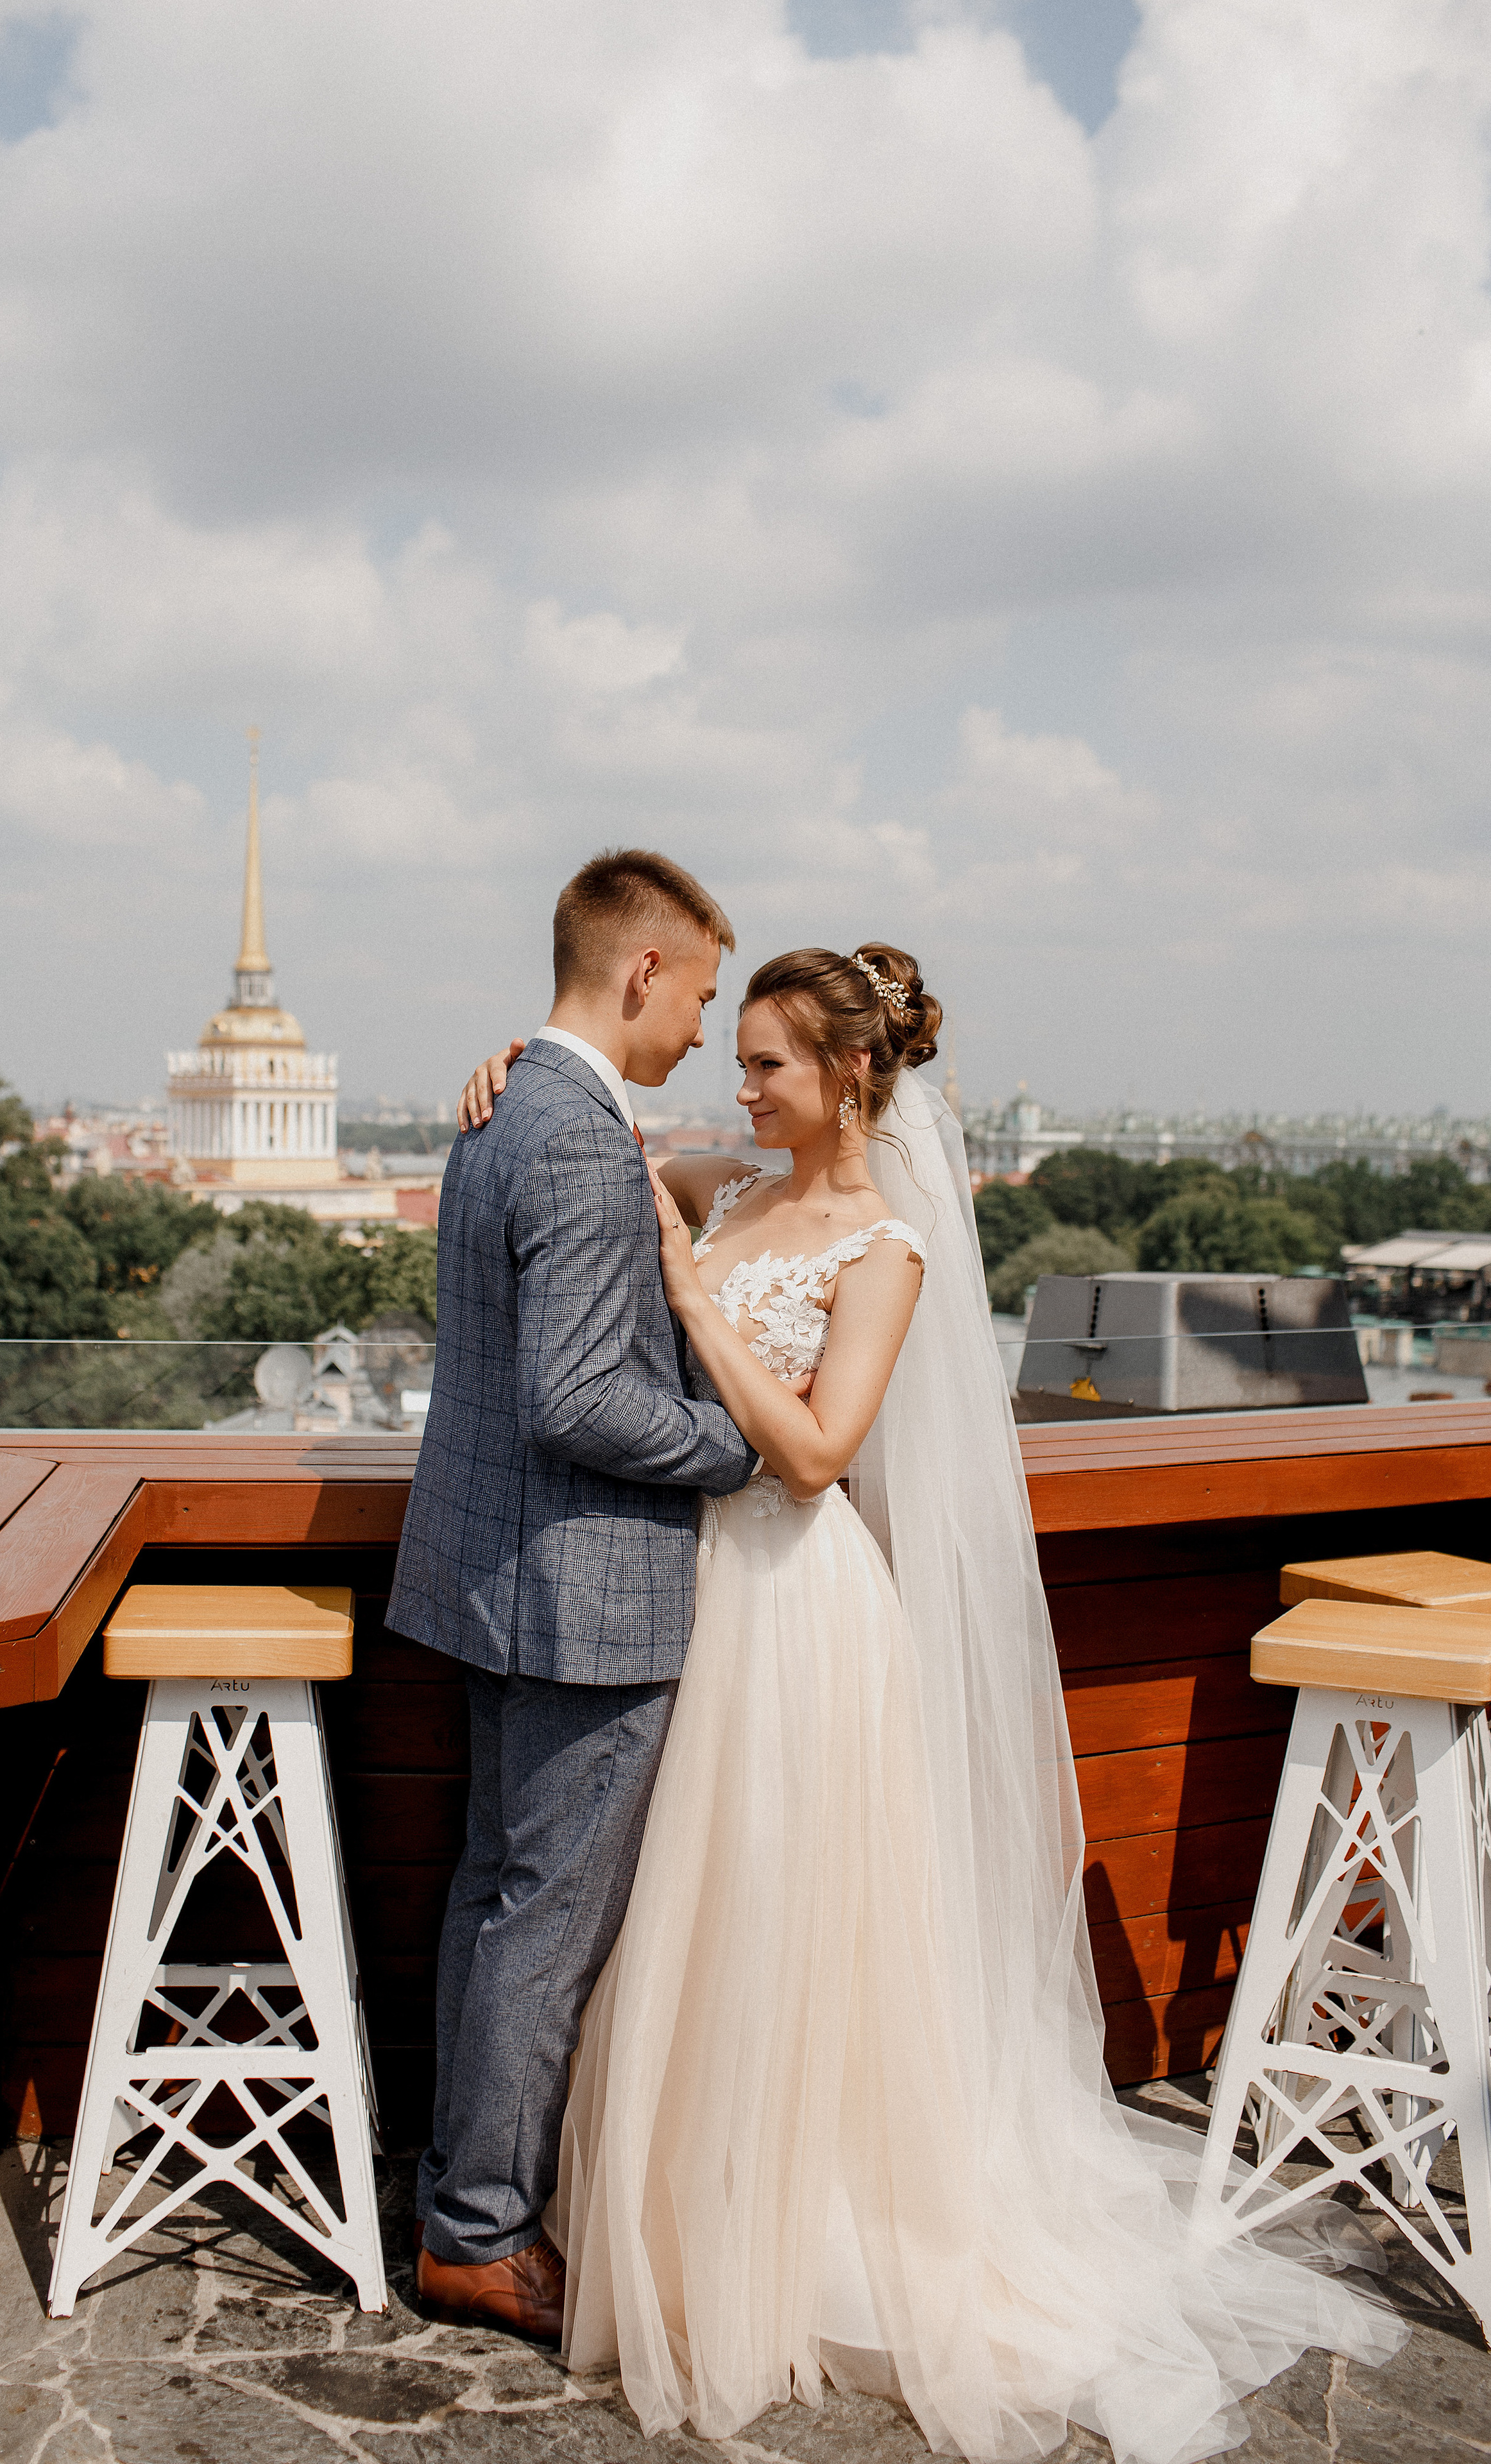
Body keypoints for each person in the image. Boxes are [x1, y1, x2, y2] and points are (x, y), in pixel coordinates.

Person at [460, 943, 1406, 2464]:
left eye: (767, 1064)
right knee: (689, 1914)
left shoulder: (884, 1249)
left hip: (796, 1610)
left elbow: (816, 1454)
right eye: (737, 1058)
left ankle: (801, 2233)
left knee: (784, 1911)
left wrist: (695, 1304)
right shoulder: (730, 1185)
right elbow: (600, 1139)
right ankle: (691, 2216)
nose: (740, 1087)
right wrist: (513, 1071)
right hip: (687, 1601)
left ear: (847, 1075)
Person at [386, 849, 762, 2342]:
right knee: (541, 1926)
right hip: (582, 1597)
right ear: (641, 972)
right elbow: (579, 1397)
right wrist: (738, 1451)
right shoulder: (573, 1140)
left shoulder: (503, 1112)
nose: (702, 1034)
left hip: (497, 1578)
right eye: (700, 999)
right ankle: (479, 2235)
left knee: (495, 1900)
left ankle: (457, 2199)